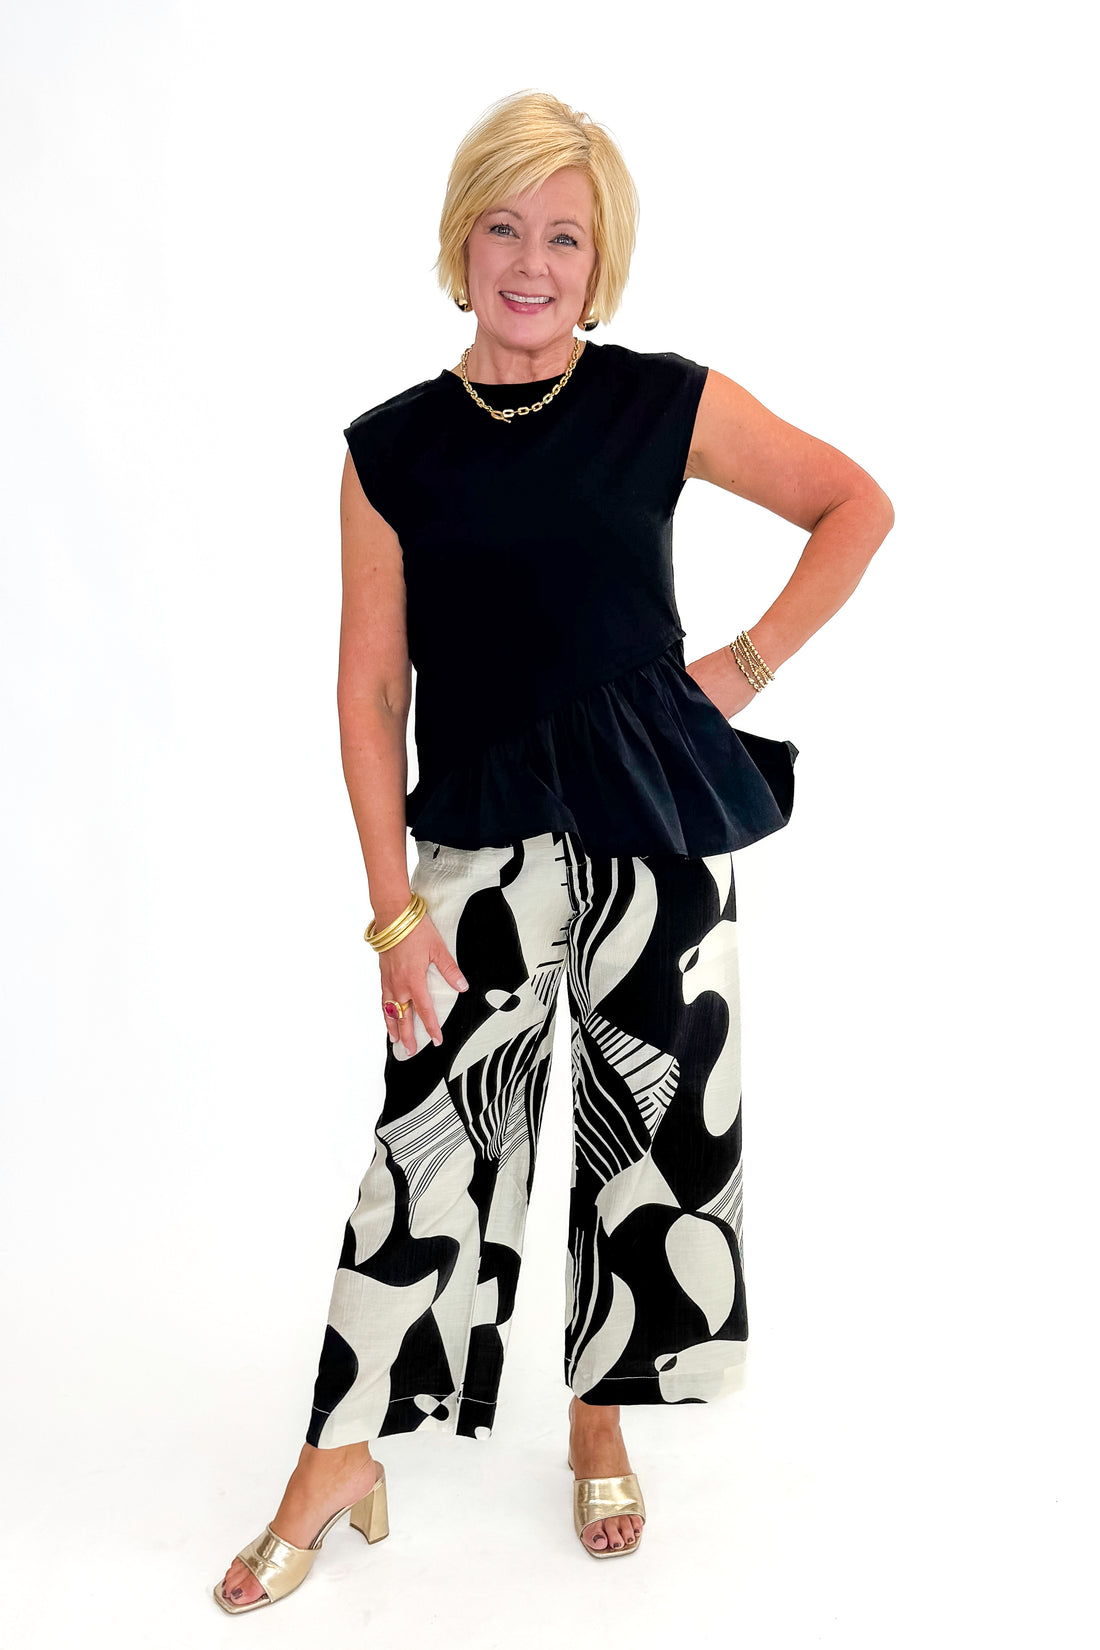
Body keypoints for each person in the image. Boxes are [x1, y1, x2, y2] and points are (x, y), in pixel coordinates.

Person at [214, 87, 894, 1612]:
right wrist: (395, 913)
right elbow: (368, 688)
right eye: (505, 226)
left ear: (604, 259)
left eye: (565, 235)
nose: (532, 260)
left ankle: (601, 1408)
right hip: (474, 834)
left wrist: (744, 667)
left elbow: (856, 504)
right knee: (428, 1146)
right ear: (461, 244)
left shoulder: (661, 401)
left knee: (642, 1135)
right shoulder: (390, 449)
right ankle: (343, 1452)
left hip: (657, 816)